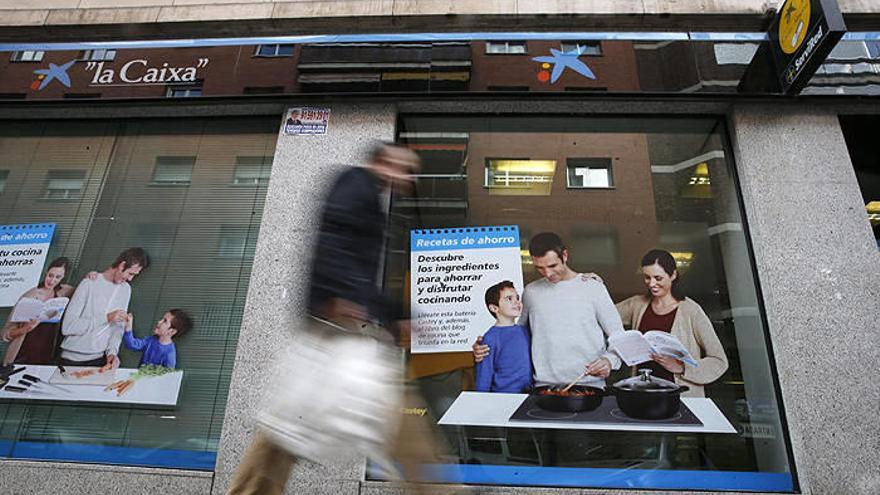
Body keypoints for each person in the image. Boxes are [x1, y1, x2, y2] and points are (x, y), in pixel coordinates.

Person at [227, 142, 442, 495]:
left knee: (291, 422)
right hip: (338, 324)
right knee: (378, 408)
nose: (406, 178)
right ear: (381, 162)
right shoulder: (356, 184)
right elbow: (332, 242)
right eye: (402, 168)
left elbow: (344, 253)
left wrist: (390, 316)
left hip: (341, 320)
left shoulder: (368, 194)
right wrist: (337, 295)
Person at [474, 232, 624, 389]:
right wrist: (484, 349)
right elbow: (515, 336)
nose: (548, 274)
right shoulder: (531, 292)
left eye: (552, 266)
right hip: (543, 388)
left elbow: (619, 336)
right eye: (540, 268)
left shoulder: (593, 288)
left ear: (564, 255)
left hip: (590, 385)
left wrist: (609, 361)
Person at [615, 249, 728, 397]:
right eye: (647, 277)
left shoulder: (691, 311)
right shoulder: (637, 304)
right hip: (641, 394)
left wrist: (682, 367)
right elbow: (602, 315)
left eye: (658, 278)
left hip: (680, 398)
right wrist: (593, 283)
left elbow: (719, 361)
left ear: (673, 275)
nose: (652, 284)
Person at [59, 247, 148, 369]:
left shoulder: (125, 289)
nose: (131, 278)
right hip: (70, 360)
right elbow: (67, 327)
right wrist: (106, 318)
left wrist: (112, 353)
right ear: (122, 266)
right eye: (130, 273)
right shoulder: (89, 283)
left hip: (100, 361)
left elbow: (118, 327)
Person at [2, 257, 74, 365]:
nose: (52, 280)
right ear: (46, 272)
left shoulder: (64, 292)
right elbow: (4, 333)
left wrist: (91, 276)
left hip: (47, 356)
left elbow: (84, 291)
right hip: (21, 354)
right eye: (50, 275)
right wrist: (25, 329)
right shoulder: (29, 295)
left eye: (58, 277)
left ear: (63, 278)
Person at [475, 280, 531, 393]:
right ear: (494, 308)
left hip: (528, 395)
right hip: (503, 396)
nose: (516, 303)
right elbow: (484, 374)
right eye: (509, 299)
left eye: (517, 298)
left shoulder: (524, 330)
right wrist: (480, 400)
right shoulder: (490, 337)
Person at [121, 309, 193, 369]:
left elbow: (167, 378)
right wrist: (128, 327)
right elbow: (132, 344)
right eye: (162, 319)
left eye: (165, 321)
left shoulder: (169, 354)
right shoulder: (151, 340)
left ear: (171, 331)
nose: (159, 322)